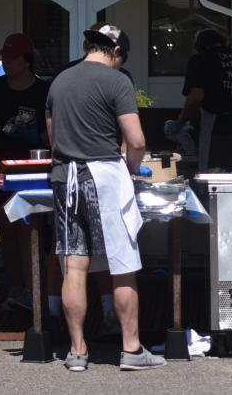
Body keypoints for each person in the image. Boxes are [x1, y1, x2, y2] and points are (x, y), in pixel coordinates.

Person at [46, 25, 165, 372]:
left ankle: (77, 351)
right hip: (104, 178)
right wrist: (132, 167)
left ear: (88, 46)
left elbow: (53, 139)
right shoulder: (118, 81)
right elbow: (137, 140)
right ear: (116, 53)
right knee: (123, 266)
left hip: (65, 176)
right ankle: (131, 349)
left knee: (75, 265)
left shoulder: (59, 81)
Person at [0, 33, 51, 313]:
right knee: (6, 228)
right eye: (3, 57)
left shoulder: (43, 91)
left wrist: (35, 134)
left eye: (11, 57)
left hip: (33, 164)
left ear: (27, 60)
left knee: (30, 229)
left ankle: (36, 292)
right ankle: (16, 288)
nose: (5, 62)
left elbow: (49, 132)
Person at [176, 27, 232, 172]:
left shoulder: (200, 60)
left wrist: (179, 123)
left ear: (199, 46)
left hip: (217, 131)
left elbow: (195, 97)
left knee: (214, 181)